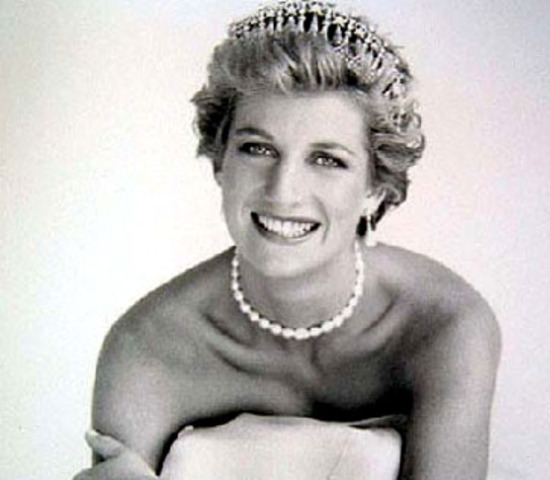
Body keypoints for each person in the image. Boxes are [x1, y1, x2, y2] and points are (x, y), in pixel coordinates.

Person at [74, 1, 501, 479]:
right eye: (257, 149)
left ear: (375, 189)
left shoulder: (444, 325)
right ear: (220, 163)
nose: (282, 191)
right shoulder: (146, 350)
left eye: (327, 159)